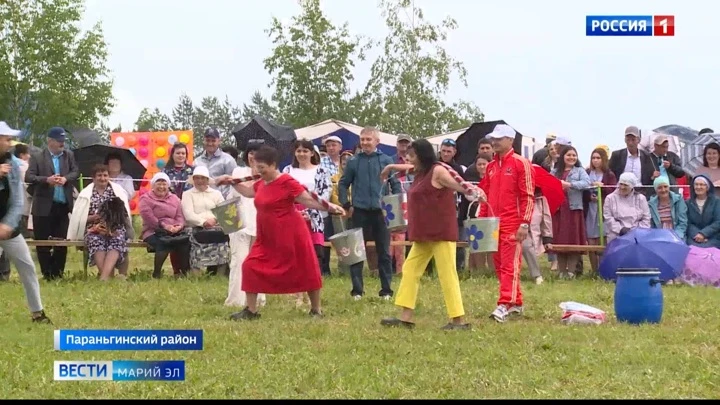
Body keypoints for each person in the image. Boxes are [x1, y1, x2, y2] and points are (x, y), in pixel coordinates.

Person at [228, 145, 345, 320]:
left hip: (291, 233)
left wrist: (331, 207)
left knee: (306, 268)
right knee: (250, 265)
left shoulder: (287, 182)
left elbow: (308, 199)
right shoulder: (261, 183)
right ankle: (251, 311)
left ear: (273, 164)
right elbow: (248, 192)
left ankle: (316, 310)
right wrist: (232, 182)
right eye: (257, 168)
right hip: (267, 236)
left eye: (262, 168)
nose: (259, 172)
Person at [378, 139, 482, 329]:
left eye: (412, 155)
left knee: (447, 274)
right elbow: (406, 168)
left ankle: (458, 320)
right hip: (423, 234)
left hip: (440, 232)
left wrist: (474, 191)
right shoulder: (421, 171)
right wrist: (391, 167)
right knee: (410, 270)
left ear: (422, 155)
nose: (409, 158)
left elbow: (458, 182)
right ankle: (406, 317)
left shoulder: (438, 170)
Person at [478, 124, 535, 323]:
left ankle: (504, 303)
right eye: (493, 138)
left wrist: (524, 223)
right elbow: (484, 196)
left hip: (513, 222)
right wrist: (482, 221)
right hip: (494, 224)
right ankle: (516, 302)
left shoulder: (521, 163)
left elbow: (528, 196)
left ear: (510, 140)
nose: (494, 142)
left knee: (510, 265)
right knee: (500, 264)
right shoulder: (491, 167)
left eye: (499, 138)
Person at [337, 127, 401, 301]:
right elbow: (343, 184)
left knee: (384, 252)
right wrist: (346, 204)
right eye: (362, 139)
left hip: (381, 212)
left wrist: (394, 206)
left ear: (377, 142)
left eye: (368, 139)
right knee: (357, 252)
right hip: (360, 212)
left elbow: (395, 184)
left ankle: (386, 290)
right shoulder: (353, 161)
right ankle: (357, 291)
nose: (365, 143)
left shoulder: (386, 160)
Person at [0, 121, 51, 322]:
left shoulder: (12, 164)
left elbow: (17, 200)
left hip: (7, 228)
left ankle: (38, 313)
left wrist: (7, 224)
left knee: (27, 266)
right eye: (6, 139)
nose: (10, 142)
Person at [25, 127, 79, 280]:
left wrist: (66, 178)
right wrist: (46, 180)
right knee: (42, 242)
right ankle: (47, 273)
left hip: (62, 206)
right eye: (59, 141)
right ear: (50, 141)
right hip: (43, 206)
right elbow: (29, 177)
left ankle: (58, 273)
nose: (62, 144)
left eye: (63, 141)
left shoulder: (69, 156)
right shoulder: (37, 157)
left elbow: (75, 171)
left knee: (61, 242)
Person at [67, 164, 133, 281]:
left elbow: (124, 215)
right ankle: (107, 276)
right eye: (99, 175)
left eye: (105, 175)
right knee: (95, 240)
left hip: (115, 226)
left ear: (109, 177)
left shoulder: (118, 191)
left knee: (117, 240)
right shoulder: (85, 194)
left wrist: (110, 220)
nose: (102, 178)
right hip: (93, 227)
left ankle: (104, 278)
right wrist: (95, 218)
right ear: (93, 178)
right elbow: (79, 218)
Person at [224, 144, 266, 308]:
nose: (252, 156)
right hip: (240, 222)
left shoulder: (268, 175)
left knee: (258, 262)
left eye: (257, 153)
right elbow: (237, 194)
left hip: (260, 221)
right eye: (250, 153)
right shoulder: (238, 172)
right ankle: (236, 300)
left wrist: (259, 172)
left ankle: (259, 298)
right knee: (239, 261)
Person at [549, 146, 591, 279]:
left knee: (574, 241)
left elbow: (586, 183)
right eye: (569, 155)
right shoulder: (555, 171)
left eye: (574, 155)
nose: (571, 157)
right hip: (559, 210)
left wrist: (570, 185)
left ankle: (571, 272)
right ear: (563, 156)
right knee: (560, 241)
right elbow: (548, 184)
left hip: (574, 210)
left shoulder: (580, 171)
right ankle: (562, 272)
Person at [139, 172, 190, 278]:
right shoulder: (145, 199)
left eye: (164, 184)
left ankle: (184, 273)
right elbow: (149, 218)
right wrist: (165, 226)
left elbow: (180, 216)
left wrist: (179, 226)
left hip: (174, 230)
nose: (161, 187)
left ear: (168, 185)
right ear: (153, 185)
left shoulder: (174, 199)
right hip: (153, 231)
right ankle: (157, 273)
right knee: (164, 243)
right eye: (158, 183)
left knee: (185, 242)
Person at [583, 148, 617, 272]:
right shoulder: (586, 172)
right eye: (593, 158)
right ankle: (594, 270)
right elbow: (583, 191)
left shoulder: (609, 174)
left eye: (598, 158)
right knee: (591, 238)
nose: (596, 160)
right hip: (591, 210)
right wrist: (589, 196)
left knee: (602, 238)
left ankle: (603, 269)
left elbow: (613, 191)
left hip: (603, 208)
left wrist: (602, 188)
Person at [602, 173, 651, 243]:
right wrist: (621, 230)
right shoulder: (610, 198)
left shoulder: (641, 198)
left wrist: (634, 231)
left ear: (632, 186)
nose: (622, 187)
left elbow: (646, 219)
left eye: (626, 185)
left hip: (637, 236)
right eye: (621, 184)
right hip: (616, 235)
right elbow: (608, 217)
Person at [648, 176, 688, 241]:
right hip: (658, 236)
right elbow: (651, 225)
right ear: (655, 189)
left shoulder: (678, 200)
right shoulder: (651, 204)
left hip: (677, 235)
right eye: (659, 188)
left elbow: (683, 223)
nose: (663, 190)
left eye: (665, 187)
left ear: (669, 187)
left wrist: (675, 237)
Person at [686, 174, 720, 248]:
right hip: (694, 237)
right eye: (696, 184)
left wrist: (704, 234)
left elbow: (718, 222)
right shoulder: (688, 203)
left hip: (712, 236)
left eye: (702, 184)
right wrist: (698, 235)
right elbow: (687, 222)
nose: (698, 187)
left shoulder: (717, 202)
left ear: (707, 187)